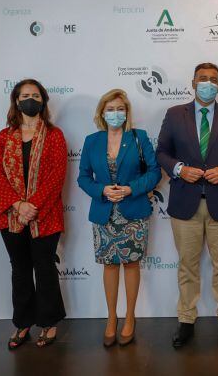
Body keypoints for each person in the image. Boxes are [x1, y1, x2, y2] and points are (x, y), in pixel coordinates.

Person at [156, 62, 218, 348]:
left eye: (214, 79)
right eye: (203, 79)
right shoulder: (174, 114)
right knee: (187, 266)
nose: (208, 83)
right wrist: (180, 169)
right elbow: (162, 152)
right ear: (193, 83)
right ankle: (186, 321)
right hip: (185, 202)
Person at [78, 89, 161, 347]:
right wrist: (101, 190)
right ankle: (111, 318)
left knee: (132, 265)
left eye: (120, 109)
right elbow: (82, 177)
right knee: (110, 265)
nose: (116, 113)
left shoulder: (139, 137)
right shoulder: (92, 140)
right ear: (102, 113)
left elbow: (155, 172)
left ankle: (130, 318)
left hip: (133, 212)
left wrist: (131, 189)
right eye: (110, 109)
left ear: (127, 112)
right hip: (104, 214)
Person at [0, 79, 67, 349]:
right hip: (11, 217)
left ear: (43, 101)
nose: (30, 100)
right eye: (25, 95)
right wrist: (17, 205)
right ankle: (23, 323)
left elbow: (56, 175)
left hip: (45, 215)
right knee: (20, 271)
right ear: (16, 100)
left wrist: (32, 206)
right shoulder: (4, 136)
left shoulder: (55, 135)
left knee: (45, 269)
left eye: (35, 95)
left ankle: (49, 323)